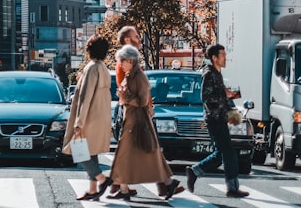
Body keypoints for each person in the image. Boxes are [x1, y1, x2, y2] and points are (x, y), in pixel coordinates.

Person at [107, 44, 181, 201]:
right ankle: (165, 183)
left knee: (126, 155)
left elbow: (142, 101)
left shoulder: (139, 77)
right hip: (132, 121)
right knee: (141, 155)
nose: (120, 64)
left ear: (130, 60)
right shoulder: (130, 75)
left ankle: (126, 189)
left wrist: (124, 95)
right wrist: (124, 94)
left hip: (137, 122)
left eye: (122, 61)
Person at [186, 44, 250, 198]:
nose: (225, 57)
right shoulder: (209, 74)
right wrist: (225, 95)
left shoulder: (217, 74)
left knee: (221, 153)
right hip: (214, 120)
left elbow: (221, 96)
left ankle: (194, 171)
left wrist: (232, 107)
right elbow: (205, 98)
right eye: (222, 55)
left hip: (220, 118)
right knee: (228, 153)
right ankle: (232, 188)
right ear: (214, 58)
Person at [63, 34, 114, 201]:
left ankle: (102, 179)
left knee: (79, 151)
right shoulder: (103, 68)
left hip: (89, 117)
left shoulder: (91, 68)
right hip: (101, 117)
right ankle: (92, 189)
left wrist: (79, 121)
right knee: (91, 153)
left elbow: (85, 96)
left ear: (89, 50)